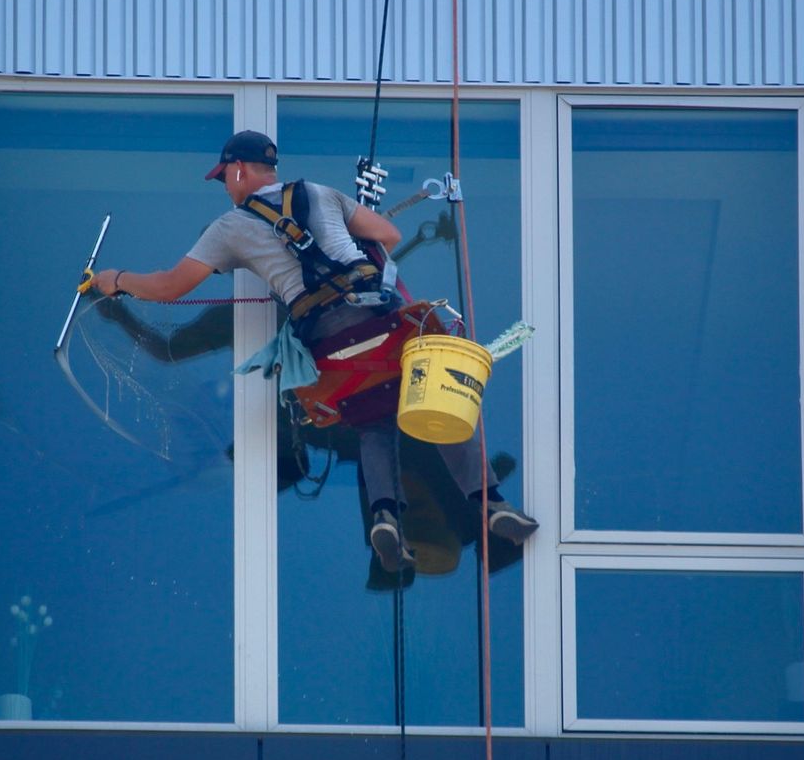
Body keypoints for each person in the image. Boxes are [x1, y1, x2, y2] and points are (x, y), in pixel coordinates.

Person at [91, 130, 538, 572]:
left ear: (240, 170)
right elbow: (389, 234)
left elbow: (171, 287)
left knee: (373, 424)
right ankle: (492, 502)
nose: (226, 188)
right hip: (384, 320)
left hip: (328, 343)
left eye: (224, 178)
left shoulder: (229, 227)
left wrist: (117, 281)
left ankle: (384, 515)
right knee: (440, 401)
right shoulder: (321, 193)